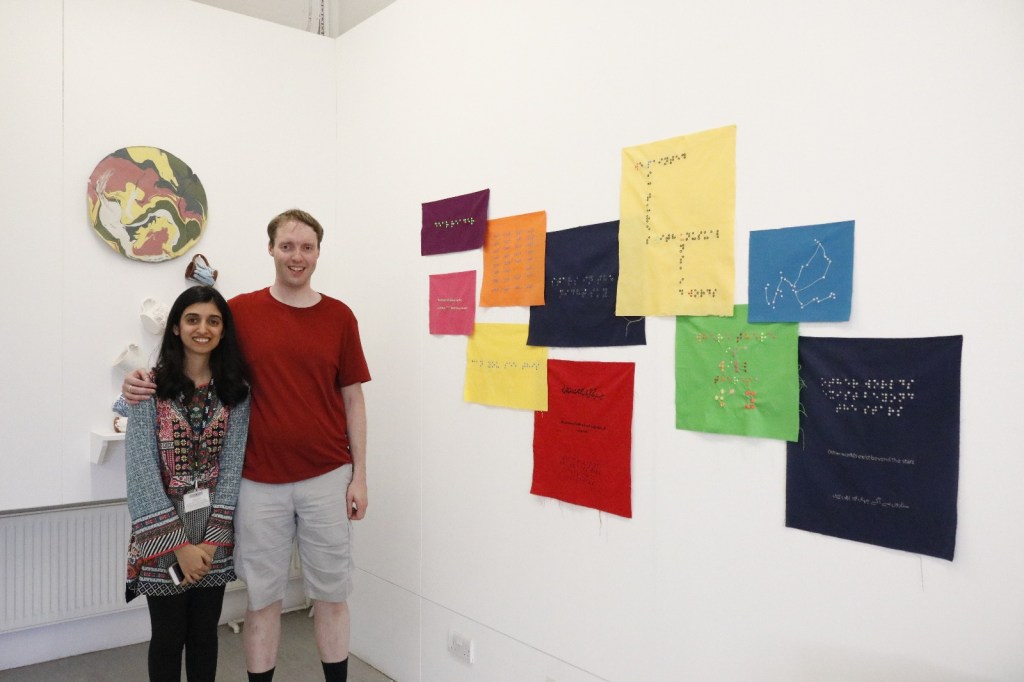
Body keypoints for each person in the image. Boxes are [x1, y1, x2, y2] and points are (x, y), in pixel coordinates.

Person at [123, 209, 371, 682]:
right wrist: (134, 385)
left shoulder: (340, 317)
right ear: (271, 249)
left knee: (332, 595)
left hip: (327, 476)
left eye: (307, 247)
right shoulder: (239, 313)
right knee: (262, 599)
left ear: (318, 252)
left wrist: (360, 475)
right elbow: (196, 355)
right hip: (257, 482)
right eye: (287, 246)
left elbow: (353, 399)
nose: (296, 256)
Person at [123, 284, 251, 682]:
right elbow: (141, 473)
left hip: (213, 533)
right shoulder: (148, 388)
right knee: (167, 636)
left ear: (223, 331)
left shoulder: (236, 392)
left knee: (204, 635)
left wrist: (210, 542)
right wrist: (179, 546)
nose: (203, 329)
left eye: (213, 321)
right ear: (176, 327)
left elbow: (232, 468)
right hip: (163, 534)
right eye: (192, 319)